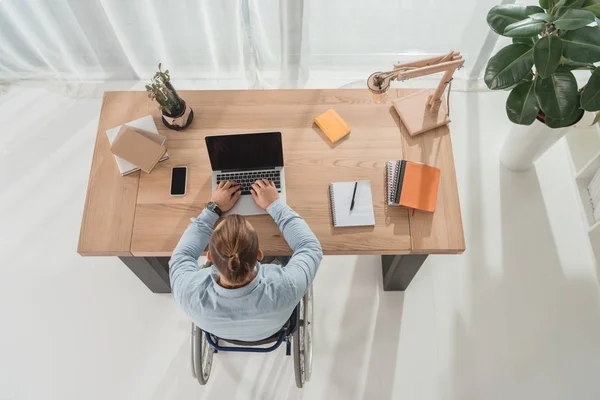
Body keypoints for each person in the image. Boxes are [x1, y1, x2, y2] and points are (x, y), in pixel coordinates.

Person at [169, 179, 323, 342]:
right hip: (272, 330)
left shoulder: (187, 292)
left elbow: (182, 255)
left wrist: (214, 208)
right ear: (259, 254)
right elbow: (310, 246)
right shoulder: (286, 286)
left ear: (209, 257)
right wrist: (274, 204)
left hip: (224, 335)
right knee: (289, 257)